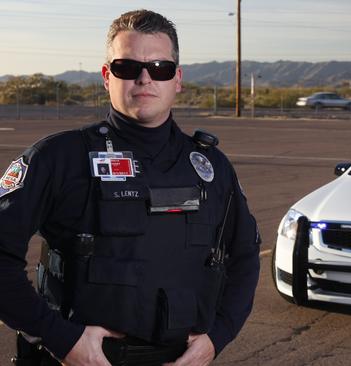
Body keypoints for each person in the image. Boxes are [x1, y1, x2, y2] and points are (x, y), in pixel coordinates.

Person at [0, 9, 260, 366]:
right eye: (126, 67)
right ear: (107, 76)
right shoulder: (59, 158)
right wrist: (61, 339)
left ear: (177, 79)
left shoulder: (211, 167)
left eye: (159, 68)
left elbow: (245, 256)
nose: (144, 79)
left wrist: (218, 337)